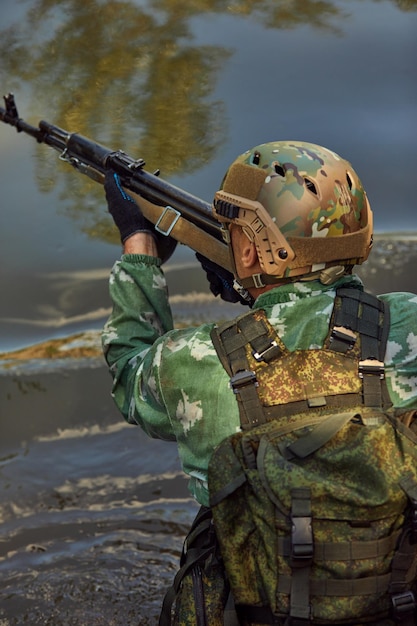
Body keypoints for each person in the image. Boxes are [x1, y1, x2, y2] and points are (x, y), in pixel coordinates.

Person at [102, 141, 417, 625]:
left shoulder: (194, 359)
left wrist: (139, 247)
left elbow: (128, 369)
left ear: (248, 249)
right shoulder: (410, 322)